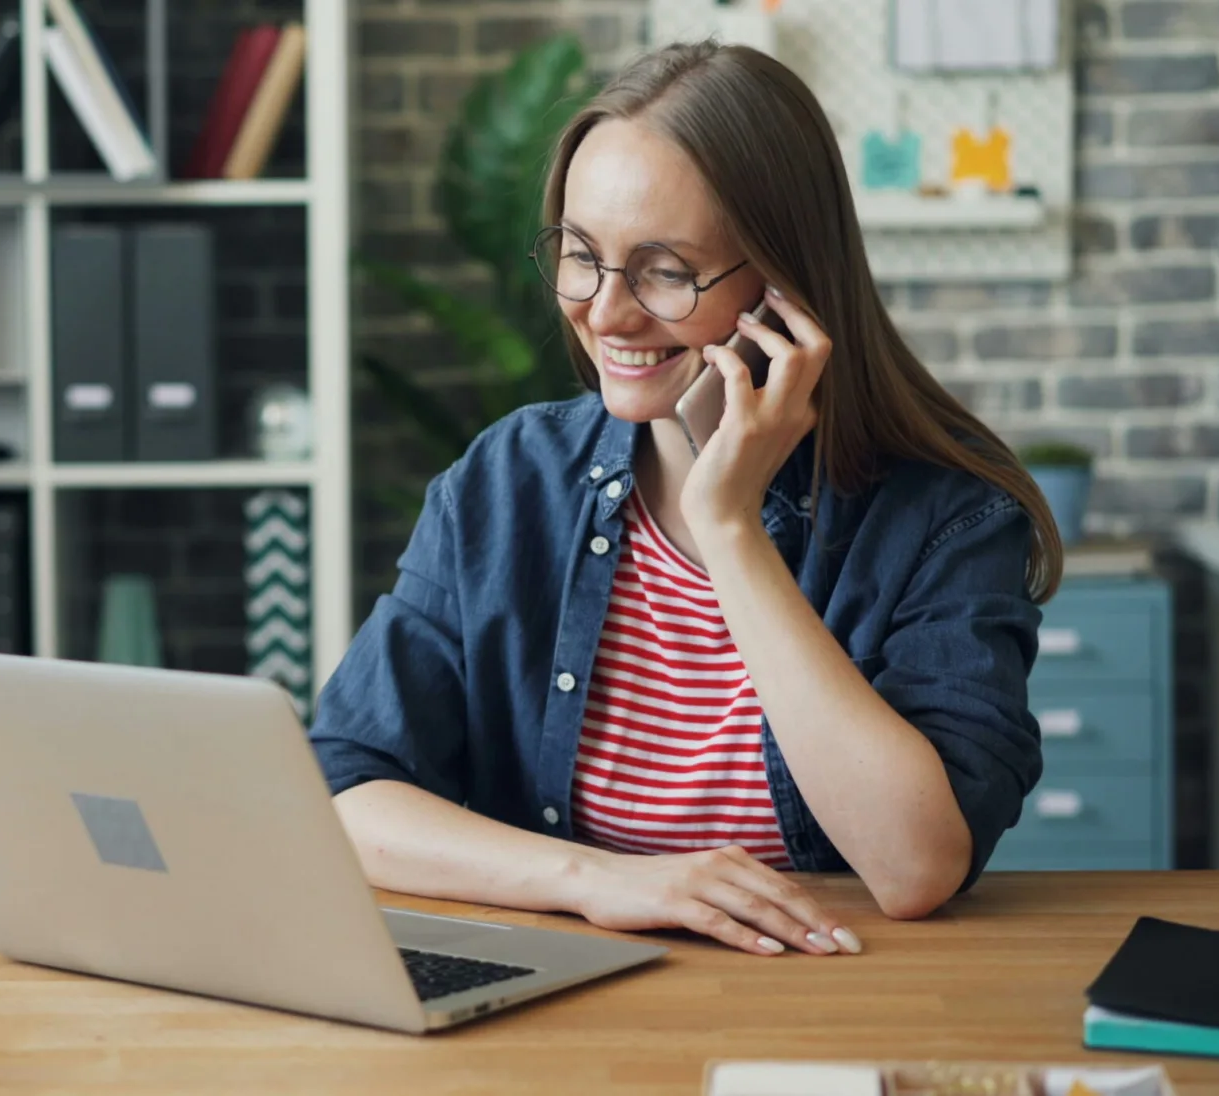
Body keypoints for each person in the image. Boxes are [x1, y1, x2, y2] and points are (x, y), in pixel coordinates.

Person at [308, 40, 1059, 958]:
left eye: (666, 270)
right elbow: (346, 791)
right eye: (582, 255)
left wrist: (730, 524)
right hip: (575, 1000)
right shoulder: (507, 481)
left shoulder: (947, 514)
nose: (607, 313)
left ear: (784, 286)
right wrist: (597, 880)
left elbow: (913, 868)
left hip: (839, 999)